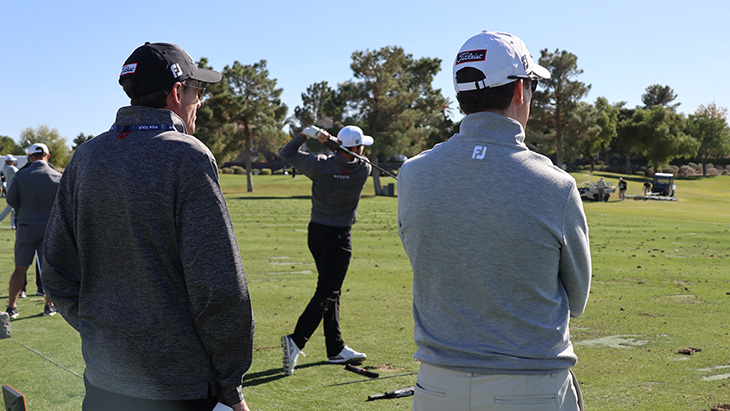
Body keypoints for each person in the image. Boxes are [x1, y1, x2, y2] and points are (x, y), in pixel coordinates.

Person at [42, 42, 254, 411]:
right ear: (176, 92)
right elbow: (219, 288)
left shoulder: (87, 156)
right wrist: (231, 383)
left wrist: (104, 334)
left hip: (104, 380)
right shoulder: (188, 155)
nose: (199, 102)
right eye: (196, 91)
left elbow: (55, 272)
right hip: (180, 386)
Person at [397, 30, 591, 410]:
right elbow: (578, 299)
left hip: (436, 388)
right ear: (520, 91)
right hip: (531, 390)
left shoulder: (413, 173)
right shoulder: (556, 184)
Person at [278, 125, 372, 376]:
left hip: (316, 234)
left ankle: (335, 348)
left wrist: (307, 135)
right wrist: (330, 141)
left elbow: (286, 153)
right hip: (339, 238)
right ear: (357, 148)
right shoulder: (363, 168)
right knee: (327, 291)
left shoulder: (319, 165)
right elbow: (351, 157)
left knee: (332, 291)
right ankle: (296, 340)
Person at [5, 144, 61, 319]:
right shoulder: (57, 176)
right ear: (47, 156)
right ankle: (49, 305)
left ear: (30, 157)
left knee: (19, 269)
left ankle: (12, 307)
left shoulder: (21, 175)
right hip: (49, 228)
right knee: (49, 269)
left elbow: (11, 199)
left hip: (26, 226)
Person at [0, 154, 18, 229]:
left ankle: (13, 225)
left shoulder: (4, 168)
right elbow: (20, 173)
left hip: (9, 189)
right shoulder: (11, 168)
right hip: (12, 190)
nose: (13, 162)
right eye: (11, 161)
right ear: (7, 161)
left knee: (14, 208)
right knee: (10, 208)